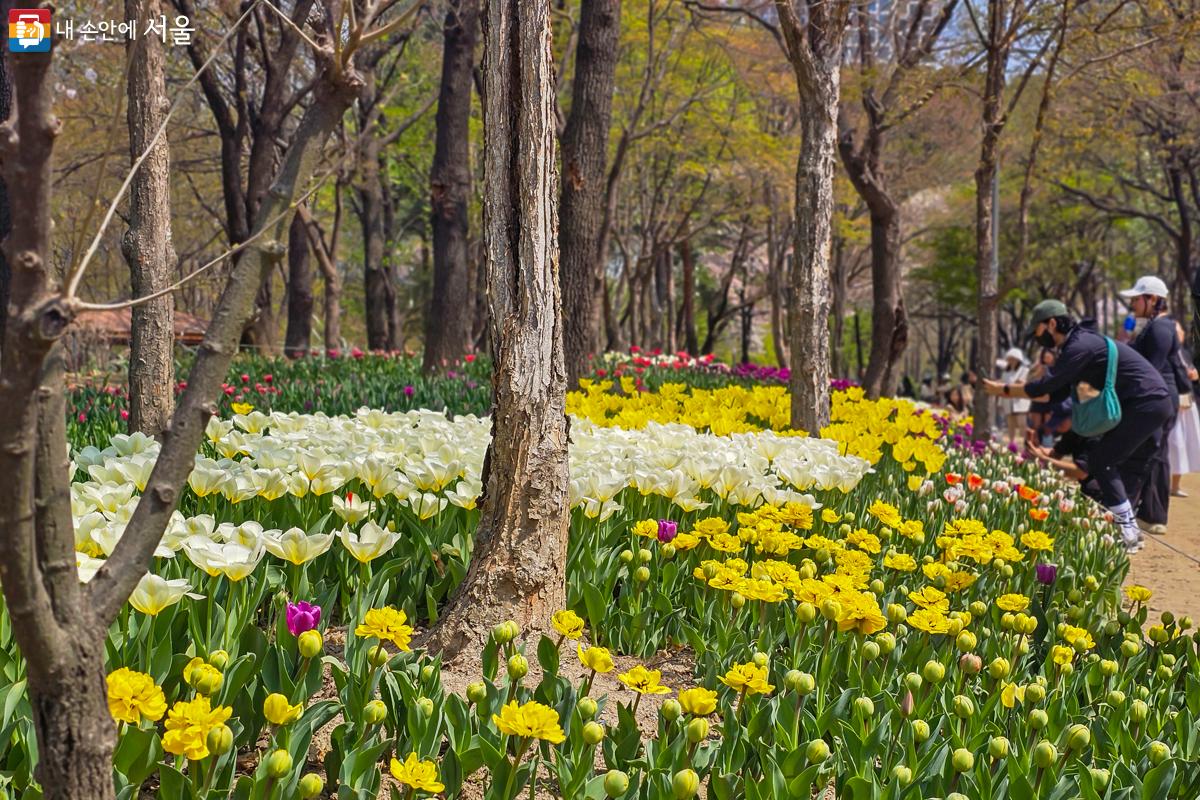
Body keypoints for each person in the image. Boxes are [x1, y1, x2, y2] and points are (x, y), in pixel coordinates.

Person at [981, 299, 1173, 553]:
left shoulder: (1079, 345)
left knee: (1102, 461)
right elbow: (1056, 394)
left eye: (1037, 331)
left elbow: (1046, 387)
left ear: (1051, 323)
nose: (1037, 338)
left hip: (1147, 402)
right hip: (1145, 404)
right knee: (1110, 462)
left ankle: (1128, 532)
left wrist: (1002, 390)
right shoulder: (1080, 344)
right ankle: (1129, 530)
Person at [1120, 276, 1183, 535]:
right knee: (1154, 451)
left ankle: (1153, 515)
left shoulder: (1160, 328)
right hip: (1159, 396)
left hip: (1159, 397)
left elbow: (1151, 369)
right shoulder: (1155, 326)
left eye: (1136, 299)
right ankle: (1151, 514)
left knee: (1153, 451)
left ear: (1153, 299)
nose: (1133, 304)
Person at [1169, 320, 1200, 497]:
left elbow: (1191, 372)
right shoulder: (1168, 353)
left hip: (1187, 402)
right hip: (1174, 402)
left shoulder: (1185, 352)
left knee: (1183, 444)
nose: (1181, 334)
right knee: (1174, 443)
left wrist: (1193, 375)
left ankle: (1175, 485)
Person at [997, 348, 1031, 444]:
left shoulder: (1025, 370)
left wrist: (1021, 383)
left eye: (1013, 359)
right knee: (1010, 424)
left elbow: (1025, 382)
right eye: (1010, 359)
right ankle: (1012, 444)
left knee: (1022, 423)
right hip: (1008, 400)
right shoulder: (1005, 373)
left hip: (1020, 400)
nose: (1011, 361)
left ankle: (1025, 443)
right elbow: (1002, 387)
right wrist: (1000, 402)